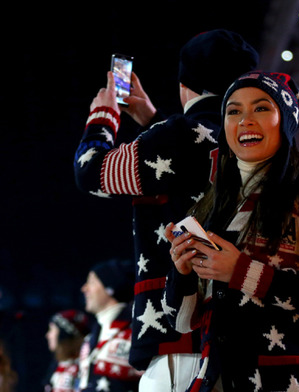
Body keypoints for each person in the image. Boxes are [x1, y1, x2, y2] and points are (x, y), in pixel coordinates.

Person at [72, 29, 259, 391]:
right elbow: (193, 163)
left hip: (182, 344)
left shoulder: (176, 138)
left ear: (184, 83)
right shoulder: (256, 137)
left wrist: (103, 115)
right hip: (249, 340)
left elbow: (91, 172)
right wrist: (152, 119)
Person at [162, 70, 299, 391]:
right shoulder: (208, 207)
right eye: (233, 111)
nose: (245, 120)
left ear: (286, 121)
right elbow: (181, 322)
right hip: (217, 377)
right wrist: (181, 271)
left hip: (287, 379)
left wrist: (241, 271)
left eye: (261, 108)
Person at [78, 259, 142, 391]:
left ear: (110, 288)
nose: (84, 288)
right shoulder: (91, 336)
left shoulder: (136, 330)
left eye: (92, 282)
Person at [43, 310, 90, 392]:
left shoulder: (81, 367)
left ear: (63, 334)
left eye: (51, 330)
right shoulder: (58, 365)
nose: (47, 335)